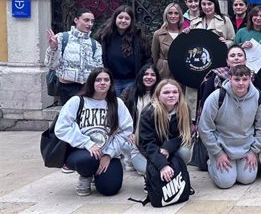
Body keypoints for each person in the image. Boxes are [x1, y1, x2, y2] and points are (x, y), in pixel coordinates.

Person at [54, 68, 133, 196]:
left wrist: (109, 154)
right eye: (98, 80)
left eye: (106, 80)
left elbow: (126, 130)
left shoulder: (117, 103)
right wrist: (87, 143)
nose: (102, 83)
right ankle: (86, 175)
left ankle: (99, 175)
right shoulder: (77, 101)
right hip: (83, 152)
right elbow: (61, 128)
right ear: (91, 82)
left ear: (111, 83)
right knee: (87, 160)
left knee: (109, 189)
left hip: (108, 152)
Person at [198, 65, 261, 189]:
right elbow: (205, 128)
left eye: (245, 79)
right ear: (230, 79)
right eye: (237, 79)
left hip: (246, 146)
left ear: (250, 80)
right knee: (226, 182)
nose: (241, 83)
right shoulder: (217, 97)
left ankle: (237, 164)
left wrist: (254, 151)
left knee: (247, 178)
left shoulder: (258, 97)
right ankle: (211, 163)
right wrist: (218, 153)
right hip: (222, 146)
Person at [137, 79, 193, 187]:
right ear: (158, 95)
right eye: (166, 92)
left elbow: (183, 135)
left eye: (175, 92)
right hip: (146, 151)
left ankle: (178, 173)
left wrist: (167, 148)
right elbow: (147, 143)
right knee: (154, 169)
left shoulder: (184, 109)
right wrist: (162, 165)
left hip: (168, 149)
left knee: (185, 152)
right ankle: (150, 180)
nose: (171, 95)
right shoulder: (149, 112)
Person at [45, 8, 103, 105]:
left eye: (92, 21)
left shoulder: (95, 44)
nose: (90, 24)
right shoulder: (62, 38)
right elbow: (50, 64)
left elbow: (98, 69)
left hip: (87, 88)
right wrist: (53, 48)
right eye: (86, 20)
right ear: (76, 20)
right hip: (66, 87)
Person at [95, 5, 150, 96]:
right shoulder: (104, 36)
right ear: (115, 18)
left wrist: (141, 75)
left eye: (127, 18)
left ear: (131, 21)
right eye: (120, 17)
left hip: (132, 81)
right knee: (113, 107)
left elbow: (147, 57)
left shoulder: (138, 36)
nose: (123, 21)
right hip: (112, 80)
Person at [119, 64, 161, 174]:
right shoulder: (129, 92)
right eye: (146, 74)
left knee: (145, 170)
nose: (149, 77)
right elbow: (118, 114)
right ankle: (129, 157)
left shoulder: (161, 94)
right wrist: (129, 132)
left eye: (153, 75)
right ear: (140, 76)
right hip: (132, 135)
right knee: (132, 167)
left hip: (151, 137)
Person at [235, 6, 261, 96]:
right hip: (244, 75)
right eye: (256, 15)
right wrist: (241, 46)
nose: (258, 18)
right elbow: (233, 49)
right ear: (251, 17)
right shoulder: (242, 32)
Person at [197, 45, 247, 117]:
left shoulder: (252, 77)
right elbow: (205, 103)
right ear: (227, 61)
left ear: (245, 60)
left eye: (240, 55)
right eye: (232, 56)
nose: (236, 58)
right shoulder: (216, 75)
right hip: (219, 119)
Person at [151, 3, 183, 79]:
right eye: (170, 13)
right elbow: (154, 56)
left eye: (176, 13)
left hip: (181, 71)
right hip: (163, 72)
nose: (173, 16)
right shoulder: (158, 34)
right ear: (166, 15)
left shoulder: (184, 34)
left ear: (180, 16)